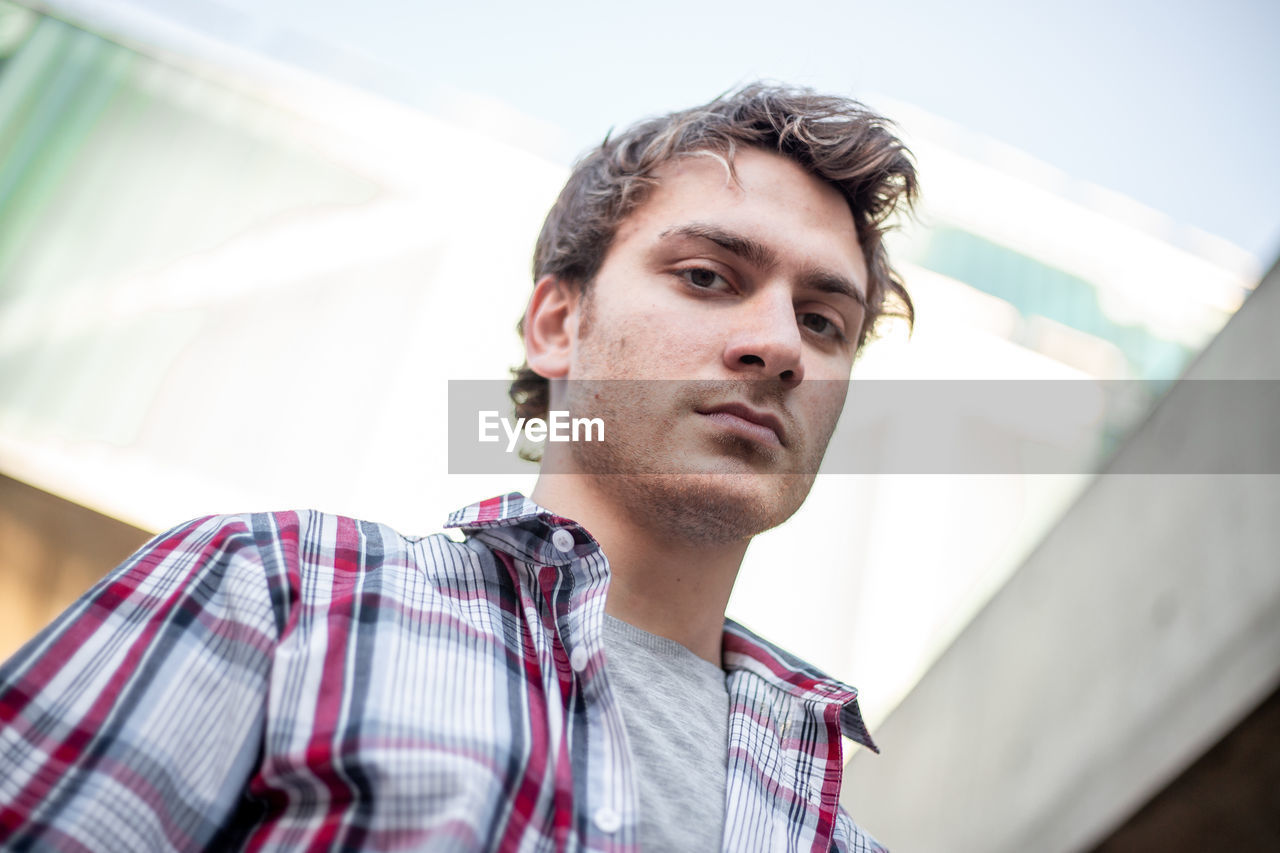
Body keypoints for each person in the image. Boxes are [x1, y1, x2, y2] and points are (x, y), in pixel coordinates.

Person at [0, 84, 917, 851]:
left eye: (823, 321)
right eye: (708, 276)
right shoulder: (274, 591)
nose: (778, 346)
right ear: (557, 325)